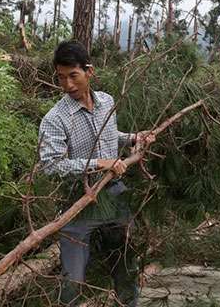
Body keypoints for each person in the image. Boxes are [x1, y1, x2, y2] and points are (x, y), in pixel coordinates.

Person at [39, 41, 155, 306]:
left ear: (89, 71)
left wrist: (134, 138)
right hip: (78, 203)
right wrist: (99, 163)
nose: (67, 85)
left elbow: (109, 138)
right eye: (61, 77)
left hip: (114, 196)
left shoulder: (106, 102)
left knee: (126, 267)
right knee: (72, 280)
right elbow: (51, 166)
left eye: (73, 76)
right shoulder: (55, 119)